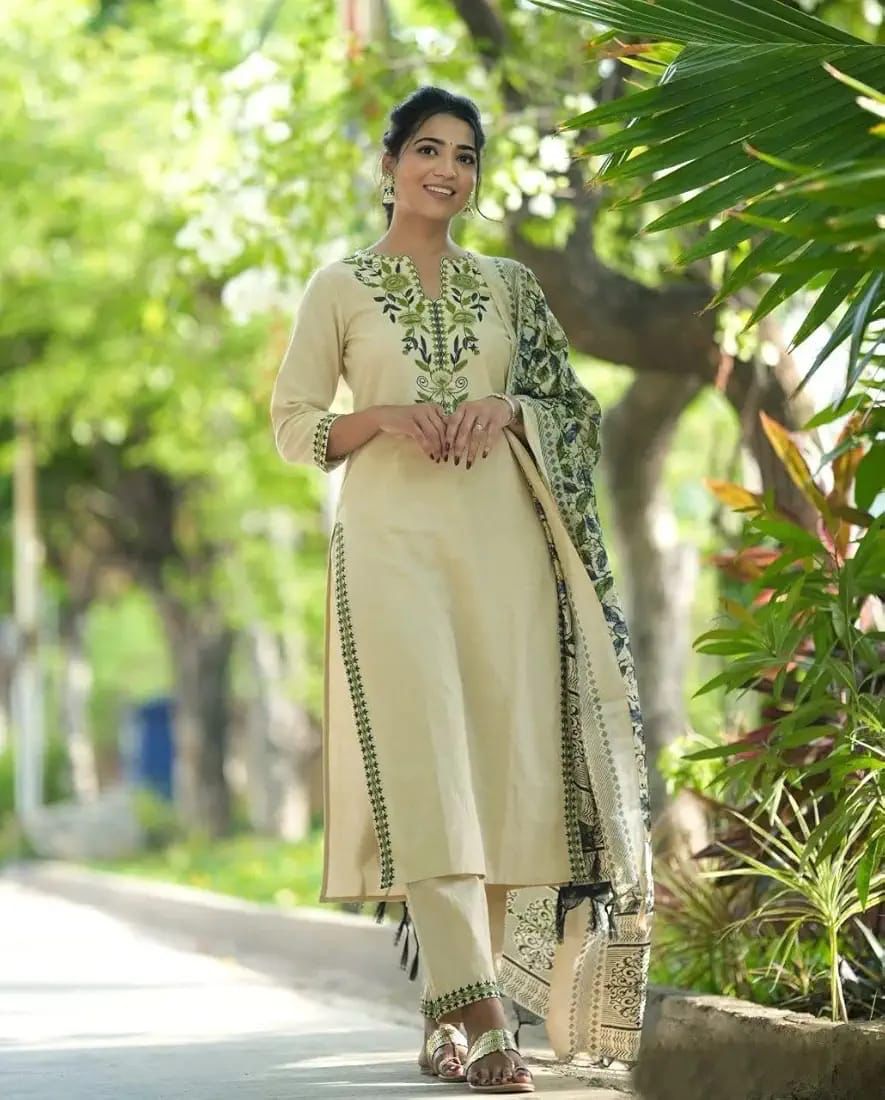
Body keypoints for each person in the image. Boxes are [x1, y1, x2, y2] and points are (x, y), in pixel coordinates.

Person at [270, 85, 652, 1094]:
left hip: (504, 549)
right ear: (390, 163)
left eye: (466, 155)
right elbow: (295, 423)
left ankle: (447, 1008)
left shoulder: (511, 287)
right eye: (429, 149)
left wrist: (509, 408)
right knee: (427, 765)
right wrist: (381, 419)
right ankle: (486, 1022)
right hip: (391, 549)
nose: (448, 168)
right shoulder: (339, 287)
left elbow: (574, 408)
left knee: (495, 773)